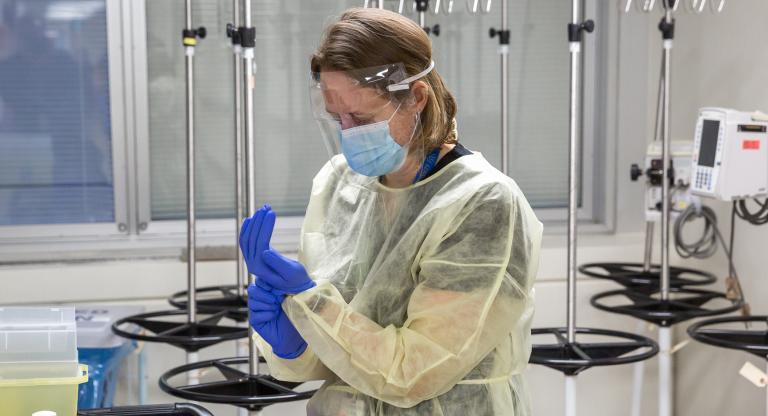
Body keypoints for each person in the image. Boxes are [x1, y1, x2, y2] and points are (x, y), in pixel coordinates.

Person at [239, 8, 542, 415]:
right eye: (337, 118)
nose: (348, 132)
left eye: (361, 117)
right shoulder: (340, 185)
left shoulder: (482, 204)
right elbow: (342, 354)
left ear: (416, 97)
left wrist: (314, 305)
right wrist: (294, 338)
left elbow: (412, 372)